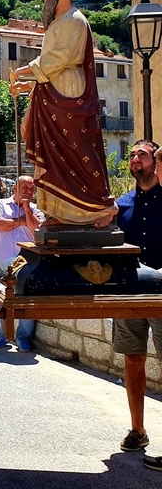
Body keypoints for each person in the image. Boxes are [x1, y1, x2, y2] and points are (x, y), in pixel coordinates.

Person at [11, 0, 117, 227]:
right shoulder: (58, 22)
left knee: (75, 147)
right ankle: (61, 213)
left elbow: (58, 60)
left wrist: (25, 71)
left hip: (69, 91)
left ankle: (98, 206)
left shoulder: (74, 19)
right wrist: (28, 84)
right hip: (52, 90)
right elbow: (48, 66)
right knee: (51, 149)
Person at [111, 140, 162, 459]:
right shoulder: (120, 205)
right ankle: (138, 429)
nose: (134, 159)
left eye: (141, 154)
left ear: (155, 162)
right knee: (133, 360)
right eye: (131, 155)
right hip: (129, 294)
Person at [0, 176, 46, 351]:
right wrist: (20, 221)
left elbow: (36, 229)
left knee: (27, 301)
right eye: (25, 188)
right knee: (0, 300)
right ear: (15, 188)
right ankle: (2, 335)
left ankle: (23, 337)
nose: (29, 191)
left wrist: (26, 209)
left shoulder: (36, 209)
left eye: (32, 188)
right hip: (2, 264)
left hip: (26, 265)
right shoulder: (1, 205)